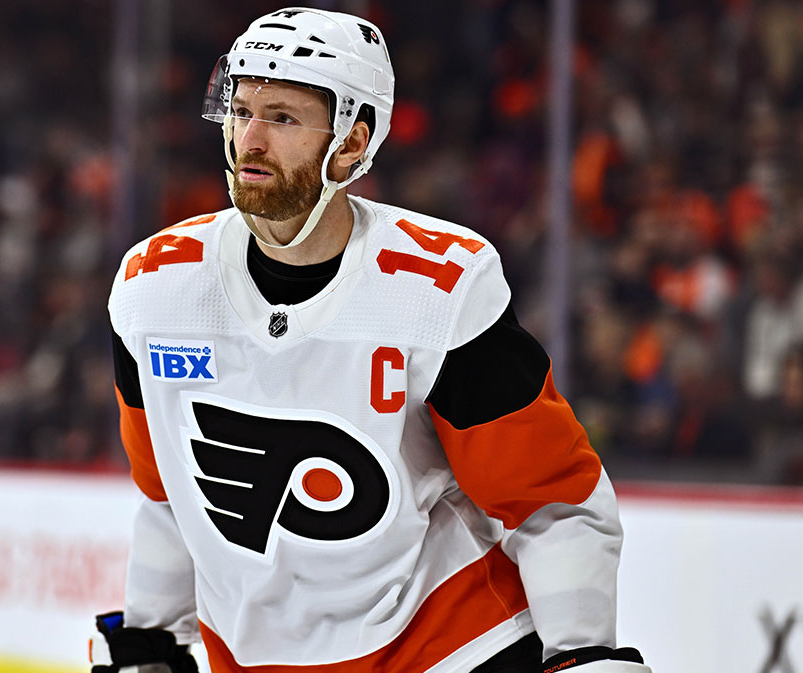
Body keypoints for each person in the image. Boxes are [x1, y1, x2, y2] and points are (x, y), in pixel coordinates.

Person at [93, 8, 651, 673]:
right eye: (242, 110)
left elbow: (552, 499)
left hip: (454, 650)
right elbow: (170, 495)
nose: (251, 138)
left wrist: (582, 650)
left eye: (284, 118)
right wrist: (149, 639)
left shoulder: (438, 288)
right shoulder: (154, 289)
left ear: (353, 144)